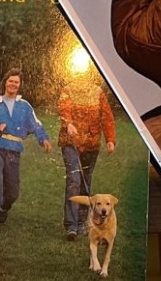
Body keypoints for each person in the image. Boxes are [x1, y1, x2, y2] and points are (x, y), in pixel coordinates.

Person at [0, 68, 52, 226]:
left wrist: (43, 139)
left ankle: (3, 208)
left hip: (14, 151)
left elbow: (36, 125)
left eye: (16, 82)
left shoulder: (24, 106)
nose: (13, 84)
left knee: (12, 191)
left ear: (20, 85)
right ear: (5, 82)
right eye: (10, 81)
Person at [58, 78, 116, 241]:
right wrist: (68, 124)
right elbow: (63, 109)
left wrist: (110, 139)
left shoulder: (98, 92)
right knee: (74, 180)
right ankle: (71, 225)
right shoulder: (68, 89)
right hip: (71, 142)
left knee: (85, 183)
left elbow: (107, 116)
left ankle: (82, 222)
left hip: (91, 145)